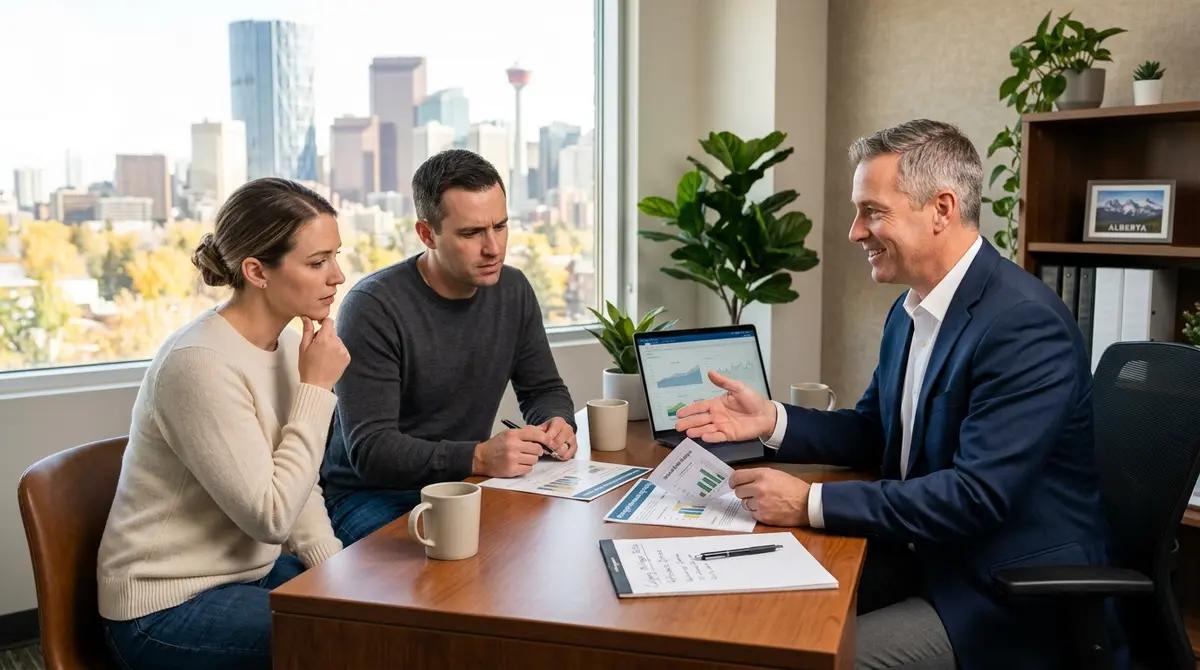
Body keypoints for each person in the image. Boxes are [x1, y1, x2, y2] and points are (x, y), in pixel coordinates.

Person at [674, 119, 1126, 670]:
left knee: (804, 658)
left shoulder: (1023, 324)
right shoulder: (912, 308)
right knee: (749, 621)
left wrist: (808, 502)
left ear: (942, 209)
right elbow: (876, 429)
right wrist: (771, 419)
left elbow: (974, 495)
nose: (854, 232)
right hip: (922, 555)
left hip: (999, 591)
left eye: (873, 211)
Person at [96, 178, 350, 670]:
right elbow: (271, 516)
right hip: (166, 608)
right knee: (345, 641)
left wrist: (333, 571)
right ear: (257, 271)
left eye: (336, 256)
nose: (337, 276)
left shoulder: (287, 349)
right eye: (318, 262)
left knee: (385, 618)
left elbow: (296, 489)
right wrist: (316, 390)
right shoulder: (200, 364)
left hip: (251, 574)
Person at [321, 148, 577, 546]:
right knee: (451, 575)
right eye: (472, 233)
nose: (493, 247)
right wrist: (476, 457)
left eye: (501, 226)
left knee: (543, 548)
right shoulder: (373, 307)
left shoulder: (513, 290)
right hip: (370, 496)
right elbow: (371, 450)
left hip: (462, 483)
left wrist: (557, 422)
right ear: (427, 234)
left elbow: (543, 390)